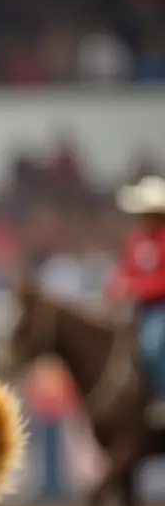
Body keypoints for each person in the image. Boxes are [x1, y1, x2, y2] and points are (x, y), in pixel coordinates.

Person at [107, 175, 165, 428]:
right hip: (140, 308)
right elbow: (125, 270)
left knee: (151, 346)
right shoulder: (138, 239)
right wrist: (116, 286)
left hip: (160, 308)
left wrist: (135, 287)